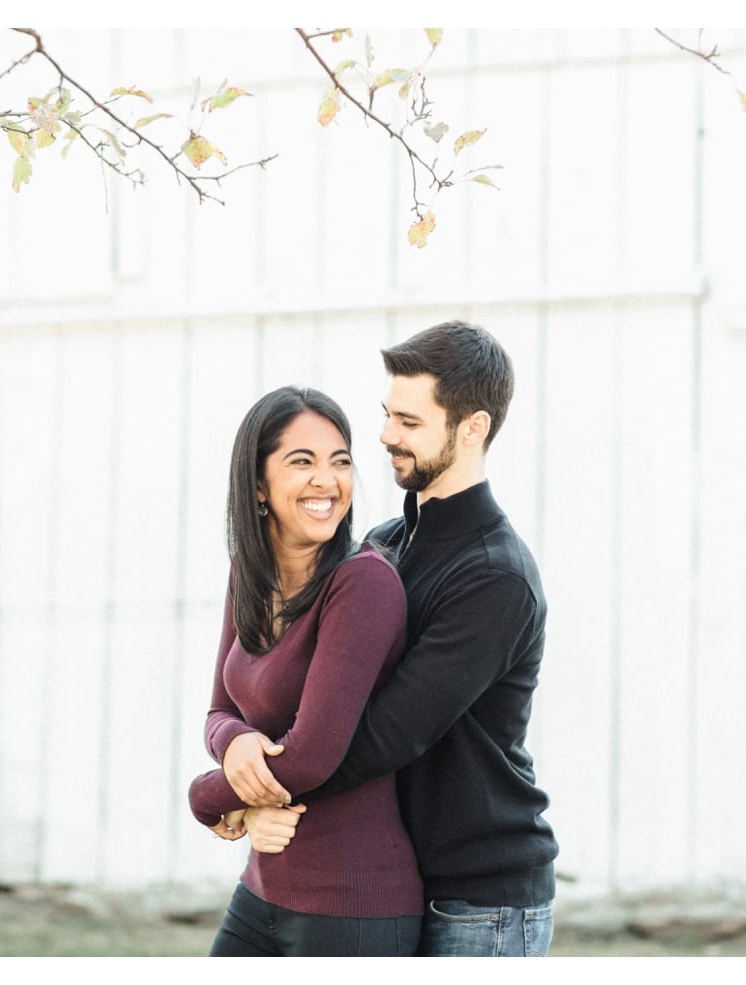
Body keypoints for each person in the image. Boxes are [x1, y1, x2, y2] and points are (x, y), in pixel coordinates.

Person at [223, 321, 559, 957]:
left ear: (472, 428)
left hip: (479, 897)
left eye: (408, 421)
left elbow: (381, 736)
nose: (383, 436)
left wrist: (236, 793)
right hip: (402, 877)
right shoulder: (384, 545)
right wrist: (238, 742)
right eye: (386, 415)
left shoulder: (495, 578)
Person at [188, 385, 423, 957]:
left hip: (352, 905)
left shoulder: (361, 583)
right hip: (264, 889)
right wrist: (237, 740)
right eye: (302, 462)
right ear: (259, 485)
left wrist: (207, 796)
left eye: (339, 461)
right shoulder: (249, 573)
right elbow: (220, 710)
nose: (327, 480)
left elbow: (311, 757)